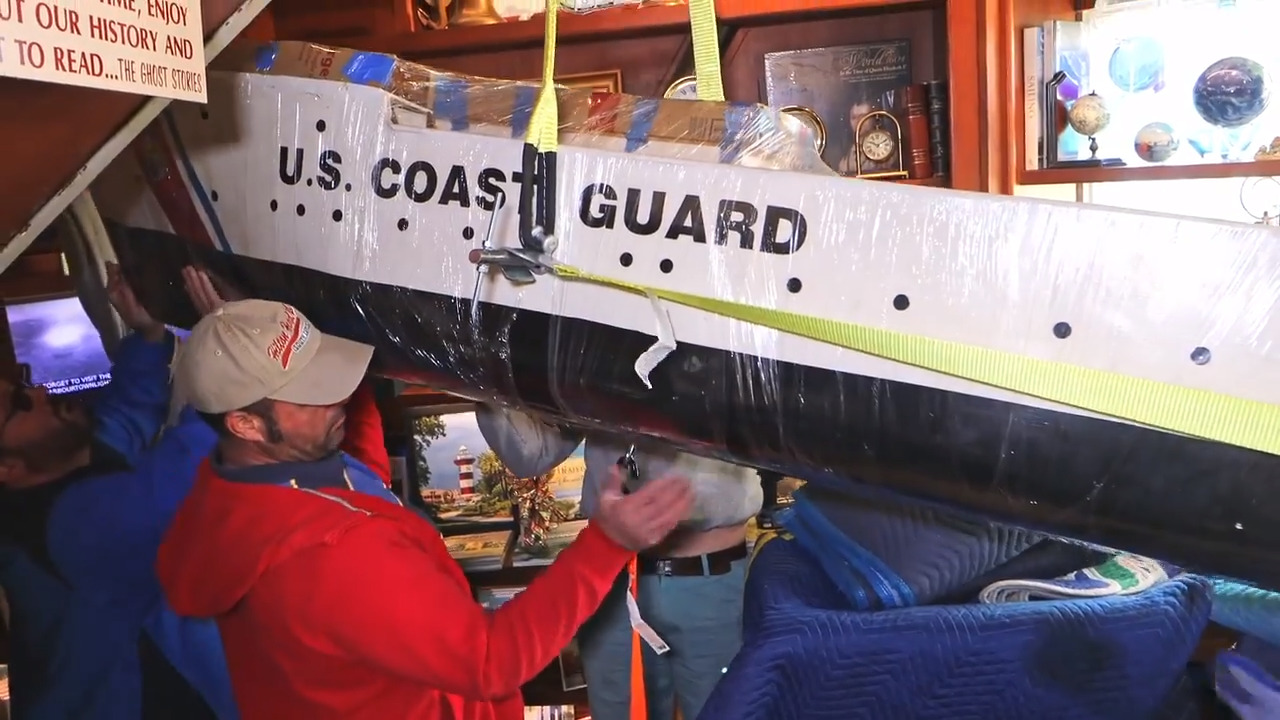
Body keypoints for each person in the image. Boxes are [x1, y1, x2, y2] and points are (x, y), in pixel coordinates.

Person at [155, 298, 694, 719]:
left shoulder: (232, 488)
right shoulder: (330, 558)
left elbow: (358, 474)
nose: (337, 395)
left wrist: (244, 341)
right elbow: (491, 661)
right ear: (245, 424)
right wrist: (606, 544)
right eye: (310, 392)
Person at [0, 263, 219, 719]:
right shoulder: (58, 527)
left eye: (23, 382)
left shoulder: (70, 459)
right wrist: (230, 355)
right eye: (22, 404)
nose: (39, 390)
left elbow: (125, 414)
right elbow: (180, 475)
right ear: (7, 468)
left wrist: (148, 332)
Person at [478, 406, 763, 720]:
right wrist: (476, 371)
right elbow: (529, 456)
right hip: (614, 585)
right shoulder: (586, 358)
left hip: (714, 583)